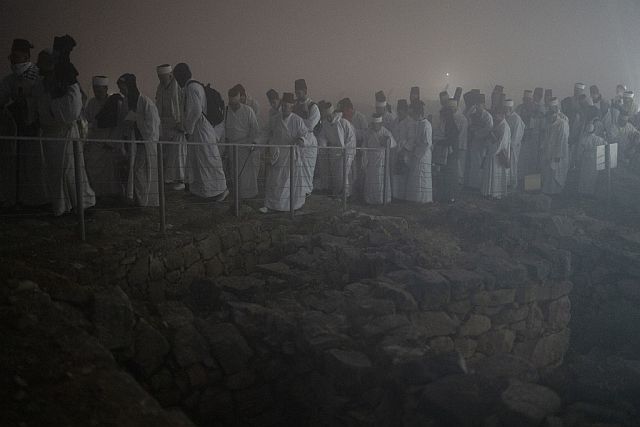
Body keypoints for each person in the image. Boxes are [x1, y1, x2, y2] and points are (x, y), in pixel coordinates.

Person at [33, 48, 95, 215]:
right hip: (50, 134)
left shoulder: (68, 85)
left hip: (66, 133)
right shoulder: (41, 85)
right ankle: (60, 206)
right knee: (54, 171)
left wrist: (52, 107)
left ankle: (81, 204)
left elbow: (71, 111)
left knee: (71, 169)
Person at [0, 38, 48, 207]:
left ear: (26, 56)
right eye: (11, 58)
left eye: (16, 57)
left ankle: (37, 201)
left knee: (34, 165)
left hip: (35, 129)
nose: (13, 61)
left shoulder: (39, 77)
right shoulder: (10, 79)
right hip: (15, 130)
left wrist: (25, 104)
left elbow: (42, 102)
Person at [173, 62, 228, 200]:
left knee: (209, 160)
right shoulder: (193, 86)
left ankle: (220, 191)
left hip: (201, 129)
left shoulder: (192, 88)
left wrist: (188, 129)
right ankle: (202, 191)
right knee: (197, 161)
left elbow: (196, 111)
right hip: (199, 129)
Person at [261, 92, 311, 212]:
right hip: (277, 154)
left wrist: (301, 139)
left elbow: (306, 135)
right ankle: (271, 205)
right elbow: (265, 132)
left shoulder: (297, 120)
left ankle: (290, 206)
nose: (284, 108)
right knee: (274, 180)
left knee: (289, 182)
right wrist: (256, 142)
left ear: (292, 106)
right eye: (282, 105)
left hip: (291, 155)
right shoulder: (275, 119)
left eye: (286, 106)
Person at [116, 73, 159, 207]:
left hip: (146, 143)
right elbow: (123, 122)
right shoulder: (126, 102)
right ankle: (140, 200)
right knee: (136, 170)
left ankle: (144, 201)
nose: (121, 91)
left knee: (140, 171)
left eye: (123, 87)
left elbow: (152, 126)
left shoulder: (146, 102)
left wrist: (136, 121)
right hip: (135, 143)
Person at [83, 75, 124, 197]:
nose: (97, 93)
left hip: (109, 140)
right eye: (95, 91)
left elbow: (119, 125)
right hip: (95, 140)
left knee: (110, 171)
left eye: (99, 91)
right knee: (91, 166)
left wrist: (112, 142)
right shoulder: (91, 103)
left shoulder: (113, 103)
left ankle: (111, 195)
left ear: (106, 89)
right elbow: (87, 121)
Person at [224, 85, 260, 198]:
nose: (233, 106)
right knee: (234, 171)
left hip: (245, 147)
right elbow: (223, 128)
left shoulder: (248, 110)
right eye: (231, 104)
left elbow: (255, 129)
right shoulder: (226, 110)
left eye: (235, 104)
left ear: (239, 100)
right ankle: (237, 195)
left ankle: (249, 195)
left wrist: (251, 144)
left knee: (247, 173)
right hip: (231, 146)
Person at [155, 64, 186, 190]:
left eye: (163, 76)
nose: (161, 79)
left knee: (177, 155)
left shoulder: (178, 86)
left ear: (170, 75)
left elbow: (182, 105)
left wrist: (181, 123)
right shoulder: (160, 87)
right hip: (164, 126)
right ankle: (167, 180)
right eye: (159, 77)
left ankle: (180, 180)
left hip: (177, 126)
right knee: (166, 155)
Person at [316, 102, 356, 195]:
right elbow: (322, 137)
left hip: (345, 153)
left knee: (343, 174)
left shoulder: (343, 122)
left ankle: (346, 195)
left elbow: (351, 139)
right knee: (335, 175)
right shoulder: (325, 124)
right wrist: (323, 146)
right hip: (333, 153)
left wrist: (347, 153)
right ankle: (337, 194)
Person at [292, 78, 319, 197]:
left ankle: (307, 191)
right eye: (296, 92)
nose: (297, 95)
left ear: (305, 91)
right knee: (297, 167)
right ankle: (298, 192)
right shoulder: (295, 105)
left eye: (299, 92)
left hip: (309, 140)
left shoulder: (313, 106)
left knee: (307, 168)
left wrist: (298, 119)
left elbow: (310, 125)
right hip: (297, 140)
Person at [437, 98, 467, 203]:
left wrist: (440, 142)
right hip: (449, 151)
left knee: (452, 175)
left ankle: (451, 196)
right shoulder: (449, 122)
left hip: (452, 152)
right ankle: (447, 195)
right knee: (447, 174)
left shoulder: (452, 124)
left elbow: (451, 139)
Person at [338, 97, 368, 198]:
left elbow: (366, 133)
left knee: (358, 172)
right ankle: (349, 193)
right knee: (350, 172)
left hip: (359, 148)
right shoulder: (344, 119)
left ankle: (358, 193)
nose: (344, 113)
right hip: (350, 148)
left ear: (349, 109)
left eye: (345, 111)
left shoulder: (360, 117)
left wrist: (354, 131)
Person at [362, 113, 396, 204]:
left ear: (381, 124)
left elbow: (392, 143)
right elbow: (364, 146)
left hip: (382, 161)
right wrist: (365, 159)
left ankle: (382, 200)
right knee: (371, 180)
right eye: (374, 125)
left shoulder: (386, 132)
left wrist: (386, 141)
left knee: (381, 180)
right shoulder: (368, 132)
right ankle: (370, 200)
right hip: (371, 160)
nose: (375, 126)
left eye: (377, 125)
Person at [404, 101, 432, 203]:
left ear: (419, 114)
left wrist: (417, 154)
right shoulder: (418, 124)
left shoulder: (426, 125)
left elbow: (427, 143)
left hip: (423, 155)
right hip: (416, 153)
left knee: (422, 177)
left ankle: (423, 199)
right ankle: (414, 198)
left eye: (413, 114)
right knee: (415, 176)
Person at [541, 98, 570, 195]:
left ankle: (556, 194)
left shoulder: (562, 122)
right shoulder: (549, 122)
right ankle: (548, 193)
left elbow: (563, 140)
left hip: (559, 153)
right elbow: (546, 136)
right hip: (549, 151)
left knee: (556, 173)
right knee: (548, 173)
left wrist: (558, 154)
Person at [481, 107, 511, 199]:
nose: (495, 118)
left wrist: (492, 149)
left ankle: (496, 194)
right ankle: (489, 192)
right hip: (492, 151)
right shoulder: (498, 124)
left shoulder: (504, 127)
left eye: (497, 115)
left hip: (499, 154)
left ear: (502, 115)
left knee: (496, 174)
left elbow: (502, 143)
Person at [465, 93, 493, 189]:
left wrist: (476, 132)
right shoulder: (473, 114)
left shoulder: (487, 117)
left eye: (479, 105)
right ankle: (473, 185)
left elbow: (488, 130)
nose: (477, 107)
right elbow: (468, 121)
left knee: (480, 165)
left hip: (483, 144)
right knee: (473, 164)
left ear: (483, 105)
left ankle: (480, 186)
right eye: (476, 104)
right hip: (474, 143)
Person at [516, 89, 545, 182]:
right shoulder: (519, 108)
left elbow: (542, 125)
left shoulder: (539, 108)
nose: (526, 102)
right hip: (522, 139)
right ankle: (520, 181)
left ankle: (531, 186)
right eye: (525, 100)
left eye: (528, 100)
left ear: (531, 99)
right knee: (521, 161)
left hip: (534, 140)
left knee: (533, 162)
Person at [391, 99, 415, 199]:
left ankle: (403, 196)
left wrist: (404, 150)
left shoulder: (410, 122)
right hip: (395, 151)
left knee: (404, 174)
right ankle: (395, 195)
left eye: (402, 110)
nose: (400, 112)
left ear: (406, 111)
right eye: (398, 110)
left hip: (405, 153)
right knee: (395, 174)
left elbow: (412, 139)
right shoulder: (395, 121)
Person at [575, 121, 605, 196]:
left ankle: (583, 192)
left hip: (586, 159)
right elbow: (606, 145)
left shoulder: (584, 138)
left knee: (584, 176)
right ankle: (590, 192)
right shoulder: (599, 139)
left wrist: (578, 159)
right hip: (595, 159)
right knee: (592, 176)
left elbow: (580, 150)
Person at [504, 99, 524, 189]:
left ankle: (513, 186)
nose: (505, 110)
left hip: (513, 148)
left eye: (507, 108)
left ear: (510, 108)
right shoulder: (506, 117)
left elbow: (516, 136)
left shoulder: (517, 119)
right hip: (505, 148)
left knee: (512, 167)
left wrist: (510, 146)